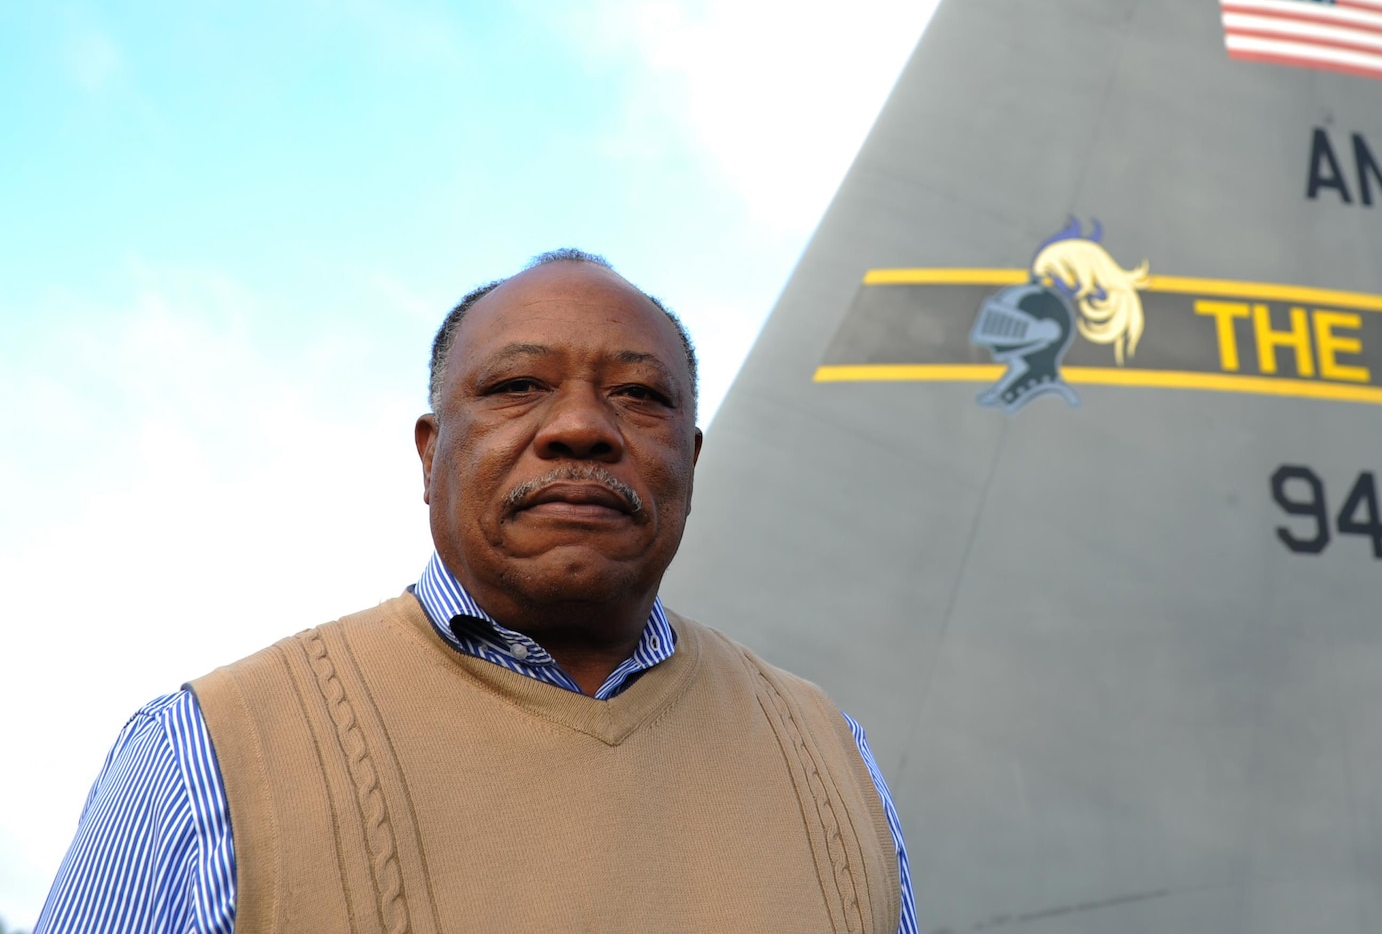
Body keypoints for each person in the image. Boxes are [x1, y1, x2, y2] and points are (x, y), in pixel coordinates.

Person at [37, 250, 918, 934]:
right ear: (429, 453)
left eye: (640, 394)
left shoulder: (835, 763)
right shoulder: (209, 752)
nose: (580, 427)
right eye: (517, 386)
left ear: (690, 459)